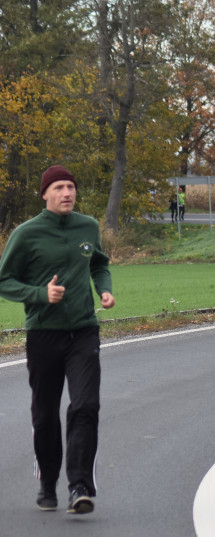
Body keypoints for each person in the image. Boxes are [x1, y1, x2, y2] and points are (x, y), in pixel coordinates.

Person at [0, 165, 115, 514]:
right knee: (45, 414)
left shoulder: (88, 226)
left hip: (83, 330)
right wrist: (40, 294)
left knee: (85, 406)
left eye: (71, 187)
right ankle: (48, 483)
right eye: (59, 187)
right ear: (45, 194)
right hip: (43, 334)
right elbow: (4, 280)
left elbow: (99, 263)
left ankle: (79, 485)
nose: (67, 193)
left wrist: (104, 289)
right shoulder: (26, 233)